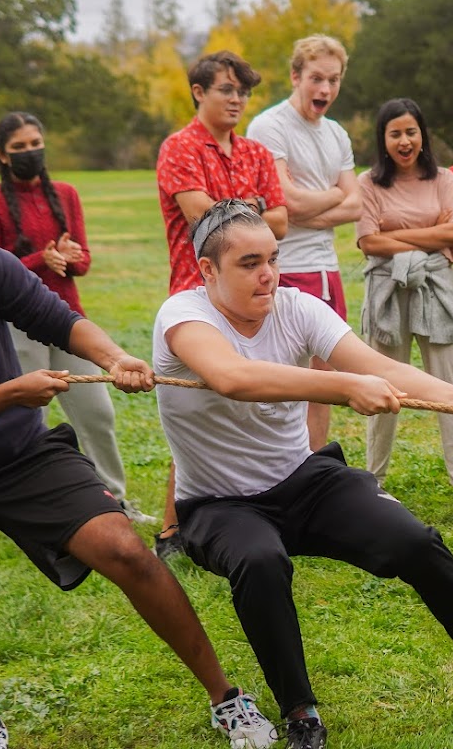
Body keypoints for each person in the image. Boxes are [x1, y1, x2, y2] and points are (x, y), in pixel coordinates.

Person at [0, 169, 276, 749]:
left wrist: (115, 355)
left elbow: (54, 317)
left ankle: (226, 698)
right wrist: (9, 393)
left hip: (20, 453)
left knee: (126, 550)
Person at [153, 200, 453, 748]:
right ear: (207, 271)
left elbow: (382, 368)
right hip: (221, 505)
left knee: (414, 540)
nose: (267, 274)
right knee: (260, 561)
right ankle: (301, 714)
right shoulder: (183, 315)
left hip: (304, 482)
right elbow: (232, 377)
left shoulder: (297, 307)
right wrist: (342, 387)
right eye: (248, 263)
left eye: (272, 257)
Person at [0, 111, 151, 524]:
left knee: (97, 413)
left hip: (67, 321)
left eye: (35, 143)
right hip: (17, 327)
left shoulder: (66, 194)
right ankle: (26, 508)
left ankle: (116, 502)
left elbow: (82, 260)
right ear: (2, 155)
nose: (30, 152)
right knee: (29, 420)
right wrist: (40, 259)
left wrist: (70, 257)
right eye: (19, 147)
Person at [153, 50, 289, 559]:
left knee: (263, 403)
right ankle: (173, 529)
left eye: (243, 92)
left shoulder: (255, 152)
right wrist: (252, 212)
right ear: (198, 92)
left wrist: (244, 213)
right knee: (195, 410)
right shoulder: (179, 148)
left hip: (253, 294)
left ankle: (266, 509)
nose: (237, 100)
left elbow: (281, 220)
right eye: (226, 90)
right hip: (198, 300)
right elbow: (202, 221)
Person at [354, 98, 453, 511]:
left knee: (451, 386)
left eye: (411, 131)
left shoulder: (445, 179)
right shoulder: (368, 184)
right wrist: (429, 236)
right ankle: (373, 481)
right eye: (395, 133)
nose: (404, 141)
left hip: (435, 290)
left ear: (422, 135)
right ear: (384, 139)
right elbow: (368, 242)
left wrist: (401, 240)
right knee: (380, 387)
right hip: (386, 292)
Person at [245, 35, 361, 450]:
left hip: (328, 269)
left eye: (333, 80)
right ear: (296, 77)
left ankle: (313, 471)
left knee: (324, 378)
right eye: (316, 78)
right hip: (285, 266)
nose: (325, 90)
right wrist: (332, 194)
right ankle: (275, 470)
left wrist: (311, 205)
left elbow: (358, 203)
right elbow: (285, 202)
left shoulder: (336, 133)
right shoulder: (269, 126)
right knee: (283, 381)